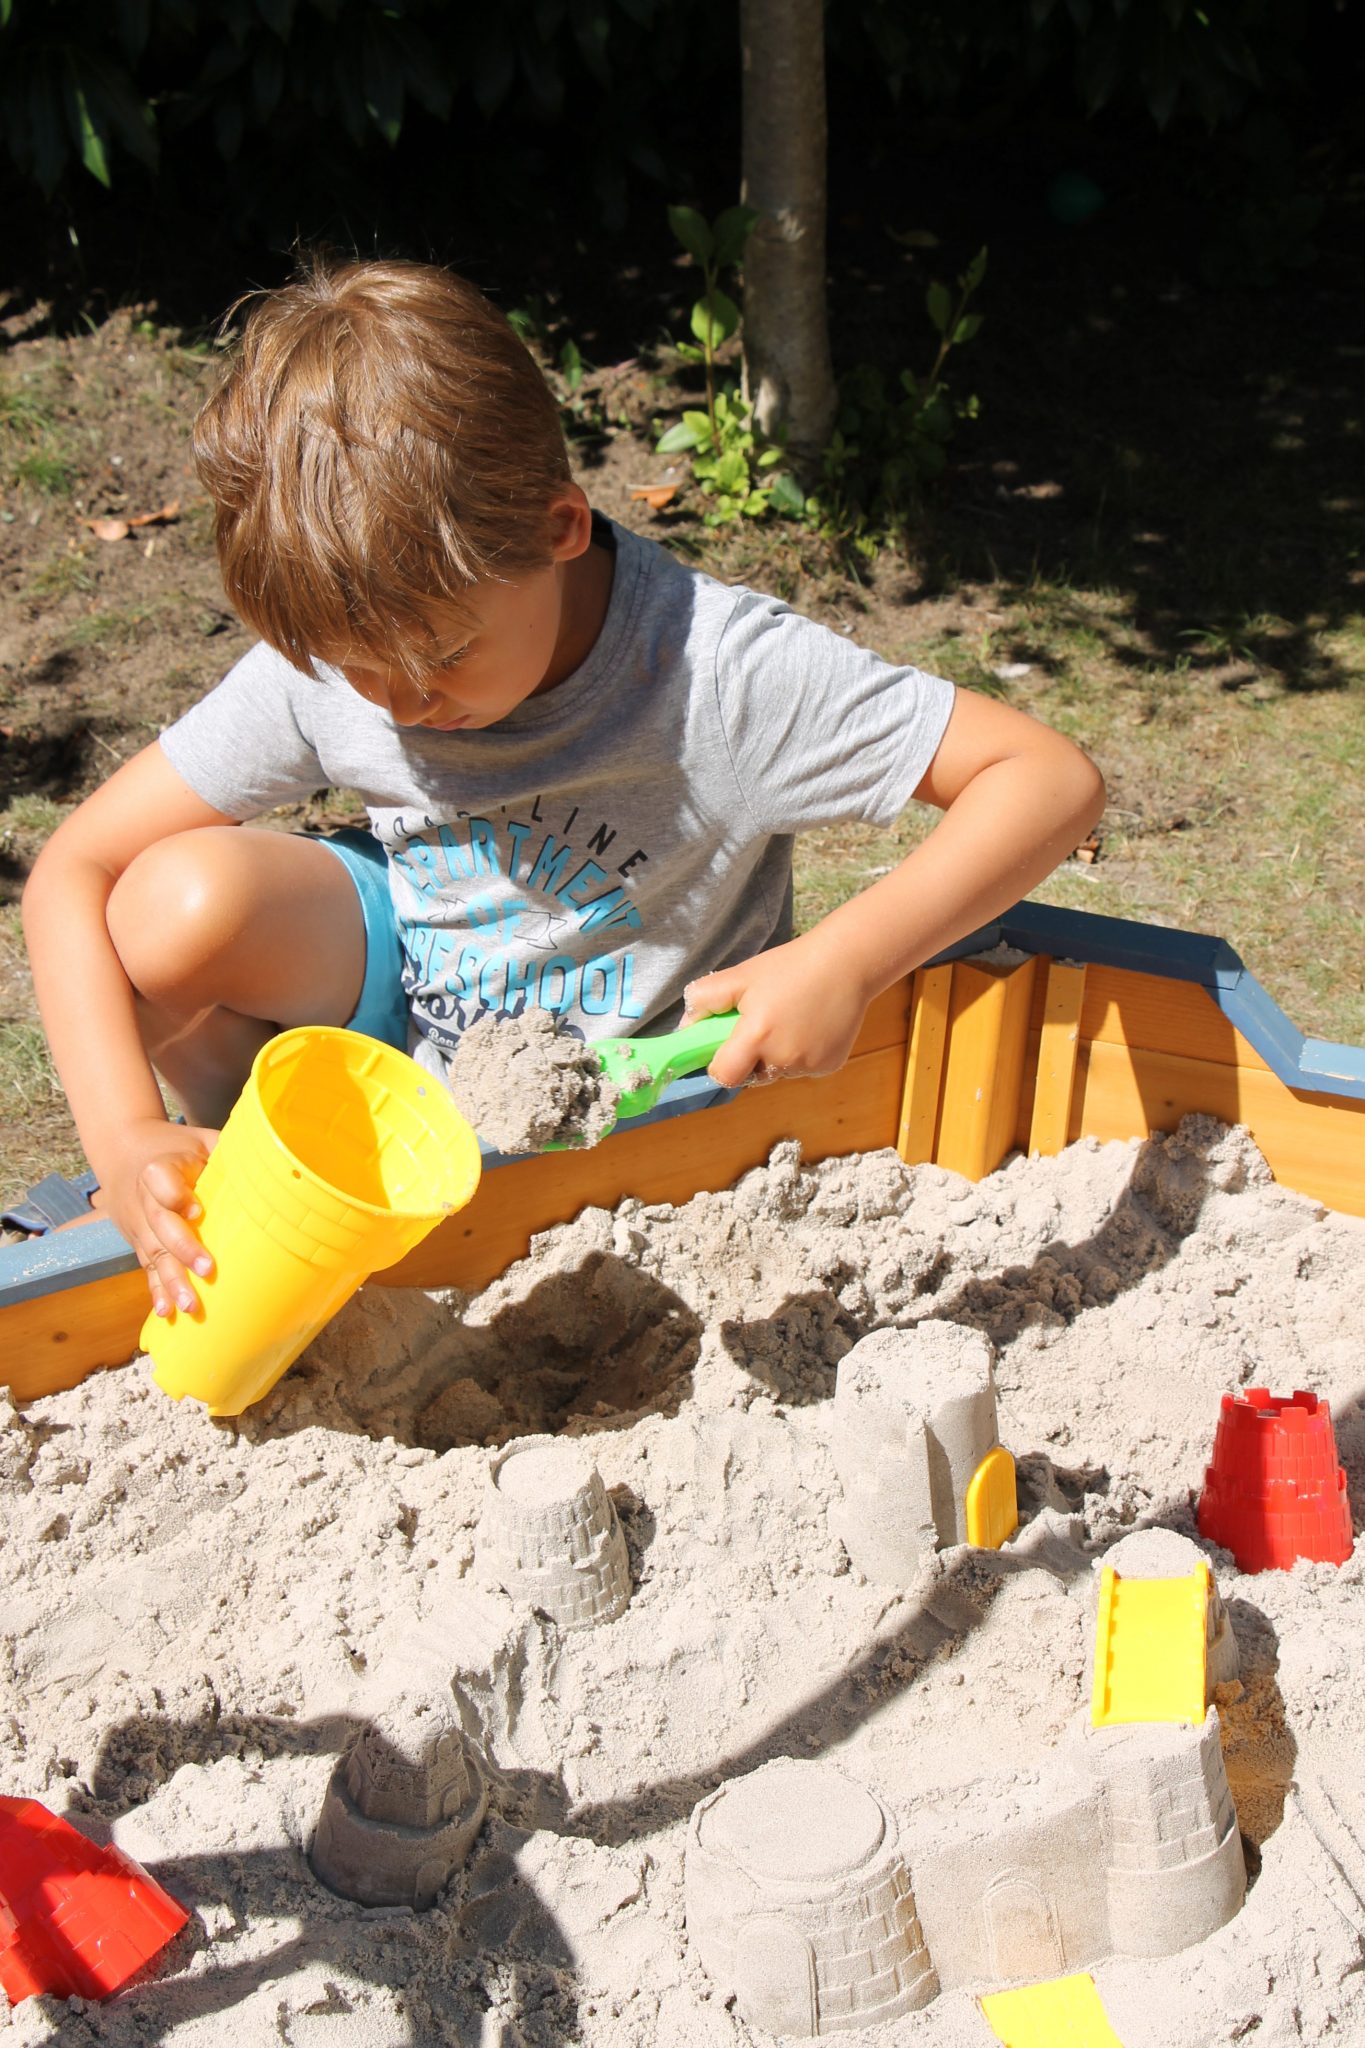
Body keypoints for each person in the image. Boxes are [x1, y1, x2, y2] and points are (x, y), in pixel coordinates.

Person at [21, 257, 1104, 1323]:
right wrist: (122, 1138)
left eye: (442, 655)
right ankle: (256, 1171)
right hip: (403, 1016)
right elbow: (76, 865)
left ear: (559, 528)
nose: (398, 703)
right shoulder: (343, 660)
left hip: (629, 1096)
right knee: (168, 906)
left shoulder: (713, 675)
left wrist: (845, 960)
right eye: (360, 670)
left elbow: (1046, 778)